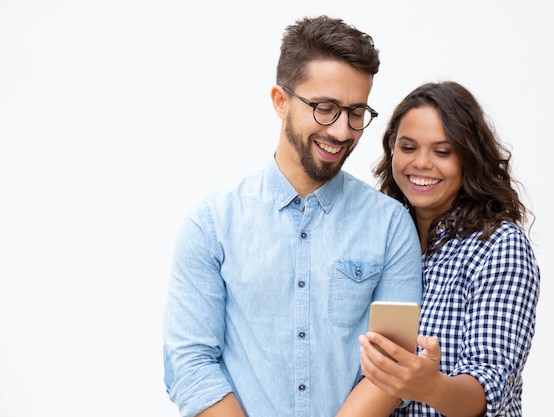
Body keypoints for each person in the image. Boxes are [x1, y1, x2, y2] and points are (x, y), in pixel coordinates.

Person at [162, 15, 423, 417]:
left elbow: (392, 366)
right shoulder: (212, 225)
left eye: (356, 113)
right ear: (280, 101)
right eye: (325, 108)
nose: (341, 131)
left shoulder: (390, 226)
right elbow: (191, 364)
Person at [359, 81, 540, 417]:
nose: (422, 163)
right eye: (408, 147)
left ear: (470, 158)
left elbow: (489, 386)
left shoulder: (499, 245)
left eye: (442, 152)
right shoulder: (379, 238)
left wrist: (431, 386)